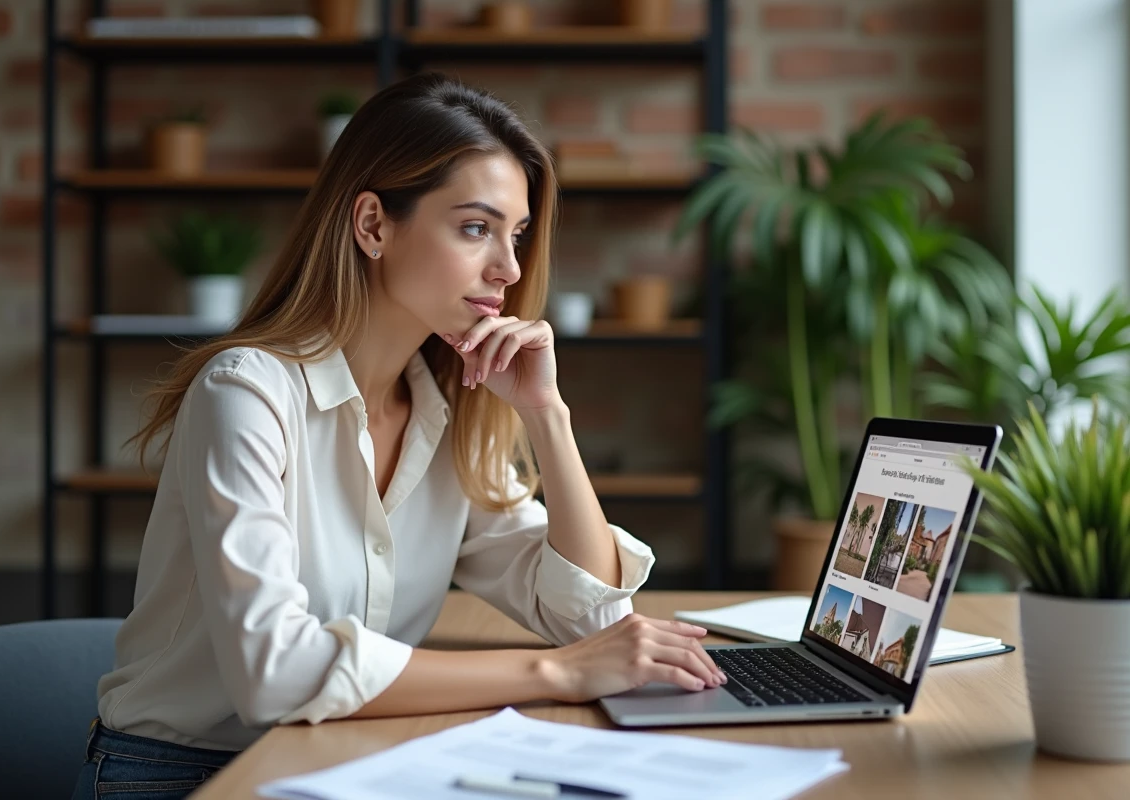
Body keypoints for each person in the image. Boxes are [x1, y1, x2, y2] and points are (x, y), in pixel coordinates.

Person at [70, 72, 726, 800]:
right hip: (182, 775)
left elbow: (590, 614)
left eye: (516, 234)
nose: (508, 270)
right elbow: (273, 674)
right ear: (374, 225)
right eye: (476, 228)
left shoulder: (446, 407)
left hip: (342, 755)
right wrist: (560, 675)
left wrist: (548, 414)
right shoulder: (247, 393)